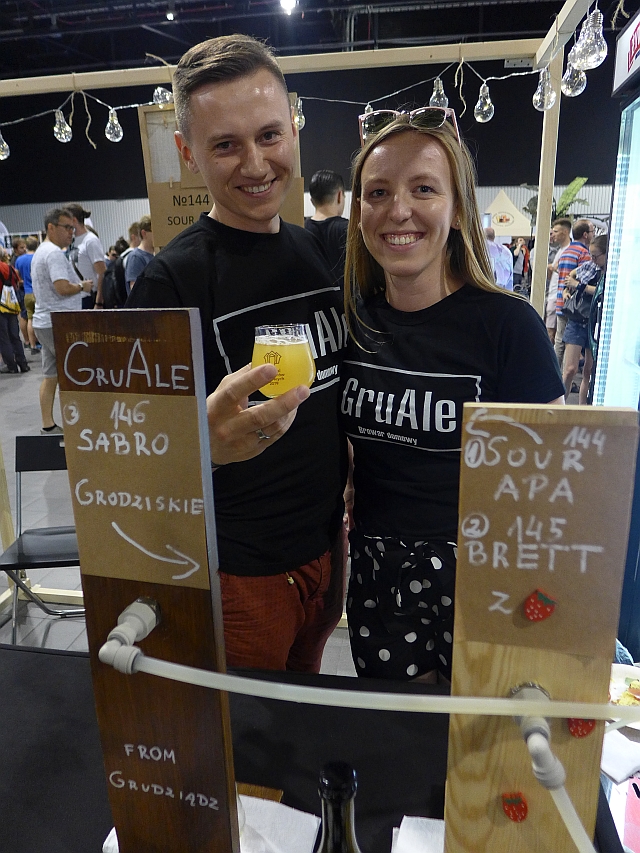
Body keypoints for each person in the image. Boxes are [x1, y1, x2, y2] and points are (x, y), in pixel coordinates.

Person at [126, 34, 347, 673]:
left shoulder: (314, 253)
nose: (255, 164)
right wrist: (201, 446)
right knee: (247, 731)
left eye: (269, 135)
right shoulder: (170, 282)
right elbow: (126, 461)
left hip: (326, 554)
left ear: (293, 131)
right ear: (187, 153)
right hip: (241, 575)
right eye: (225, 145)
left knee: (301, 714)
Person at [340, 108, 565, 683]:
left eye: (423, 189)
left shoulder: (507, 325)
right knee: (402, 735)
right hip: (378, 577)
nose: (398, 210)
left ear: (459, 208)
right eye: (378, 192)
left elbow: (553, 481)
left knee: (481, 737)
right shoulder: (354, 322)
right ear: (359, 212)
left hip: (484, 578)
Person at [31, 208, 93, 433]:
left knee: (51, 376)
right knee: (73, 375)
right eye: (66, 227)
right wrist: (82, 286)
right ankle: (78, 427)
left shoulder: (41, 251)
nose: (71, 232)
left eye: (72, 228)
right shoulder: (54, 253)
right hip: (59, 324)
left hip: (45, 322)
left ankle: (48, 426)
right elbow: (62, 287)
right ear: (51, 227)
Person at [561, 233, 607, 405]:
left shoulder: (611, 273)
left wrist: (579, 286)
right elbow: (571, 277)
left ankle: (582, 409)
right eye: (591, 255)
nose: (593, 259)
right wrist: (567, 291)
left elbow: (602, 292)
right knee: (570, 369)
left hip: (594, 323)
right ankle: (560, 406)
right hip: (578, 319)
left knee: (588, 371)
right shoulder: (589, 266)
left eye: (596, 256)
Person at [553, 218, 592, 369]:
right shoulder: (584, 253)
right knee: (569, 345)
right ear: (585, 235)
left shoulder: (565, 252)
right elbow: (585, 278)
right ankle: (563, 376)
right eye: (592, 231)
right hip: (575, 307)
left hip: (561, 302)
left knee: (559, 341)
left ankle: (555, 372)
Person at [304, 169, 348, 285]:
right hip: (345, 296)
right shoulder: (349, 230)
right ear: (339, 196)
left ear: (312, 200)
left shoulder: (300, 231)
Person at [65, 203, 107, 309]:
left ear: (74, 220)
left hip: (89, 298)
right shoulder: (73, 241)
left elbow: (102, 272)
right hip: (76, 297)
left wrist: (99, 302)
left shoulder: (91, 241)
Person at [0, 249, 29, 374]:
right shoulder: (9, 267)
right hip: (11, 304)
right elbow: (17, 283)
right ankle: (23, 363)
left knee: (3, 337)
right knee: (15, 335)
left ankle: (11, 366)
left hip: (0, 306)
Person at [14, 235, 39, 354]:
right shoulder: (37, 257)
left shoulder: (19, 260)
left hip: (27, 293)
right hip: (38, 292)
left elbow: (17, 277)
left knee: (29, 319)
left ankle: (31, 344)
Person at [125, 215, 154, 292]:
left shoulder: (156, 254)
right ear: (144, 233)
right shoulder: (136, 257)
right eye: (154, 231)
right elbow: (135, 290)